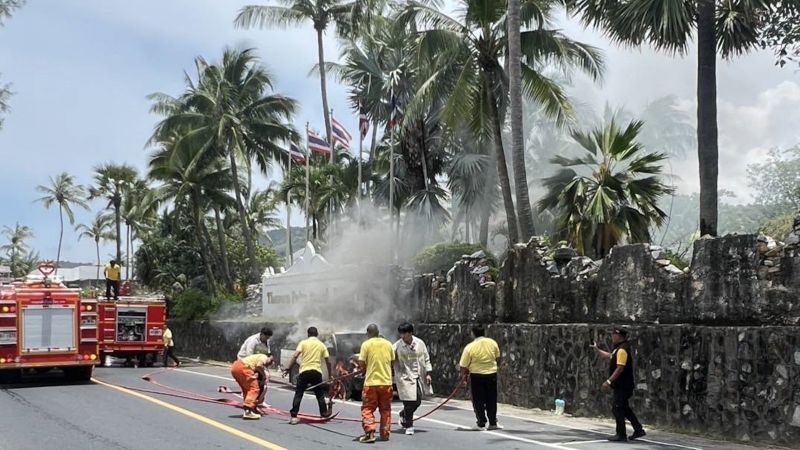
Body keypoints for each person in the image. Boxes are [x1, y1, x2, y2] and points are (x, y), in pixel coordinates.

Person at [591, 327, 646, 442]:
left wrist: (608, 381)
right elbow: (609, 356)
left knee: (617, 408)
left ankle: (621, 434)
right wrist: (597, 350)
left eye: (613, 335)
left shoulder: (622, 350)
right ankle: (638, 429)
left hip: (623, 386)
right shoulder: (618, 349)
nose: (612, 337)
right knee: (624, 408)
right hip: (622, 385)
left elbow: (620, 368)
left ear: (618, 336)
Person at [285, 326, 332, 424]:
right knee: (319, 395)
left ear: (308, 334)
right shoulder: (321, 345)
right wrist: (330, 375)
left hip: (304, 372)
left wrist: (288, 368)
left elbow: (295, 356)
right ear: (317, 334)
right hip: (316, 372)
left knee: (299, 393)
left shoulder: (303, 343)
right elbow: (328, 361)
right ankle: (323, 413)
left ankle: (294, 416)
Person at [459, 325, 502, 431]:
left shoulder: (470, 347)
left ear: (473, 333)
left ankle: (481, 423)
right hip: (491, 374)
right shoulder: (493, 343)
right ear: (484, 332)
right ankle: (493, 423)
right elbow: (498, 358)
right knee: (491, 399)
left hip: (477, 375)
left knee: (478, 400)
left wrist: (463, 379)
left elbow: (463, 365)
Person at [357, 324, 395, 443]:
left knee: (368, 408)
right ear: (378, 332)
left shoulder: (366, 344)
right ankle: (385, 434)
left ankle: (369, 433)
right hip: (386, 383)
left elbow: (361, 362)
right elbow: (393, 361)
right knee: (385, 409)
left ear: (368, 333)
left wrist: (363, 370)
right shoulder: (388, 344)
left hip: (371, 383)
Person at [393, 322, 433, 436]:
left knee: (418, 400)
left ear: (410, 333)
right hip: (405, 377)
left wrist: (428, 374)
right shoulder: (396, 346)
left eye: (404, 334)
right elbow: (389, 358)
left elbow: (426, 359)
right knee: (409, 402)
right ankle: (409, 426)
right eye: (400, 334)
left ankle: (403, 414)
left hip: (418, 375)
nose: (402, 337)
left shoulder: (420, 343)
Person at [238, 327, 273, 408]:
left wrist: (269, 358)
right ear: (261, 334)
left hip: (259, 361)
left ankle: (260, 400)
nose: (267, 339)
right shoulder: (253, 340)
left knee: (264, 379)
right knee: (252, 382)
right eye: (266, 337)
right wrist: (256, 369)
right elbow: (249, 354)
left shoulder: (266, 341)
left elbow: (268, 352)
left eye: (268, 338)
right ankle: (249, 401)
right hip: (246, 361)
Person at [231, 353, 272, 420]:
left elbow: (257, 368)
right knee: (254, 388)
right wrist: (264, 375)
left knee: (247, 389)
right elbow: (259, 365)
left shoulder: (255, 358)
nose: (271, 363)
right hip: (243, 367)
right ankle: (248, 411)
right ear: (269, 357)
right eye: (271, 361)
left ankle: (251, 409)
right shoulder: (264, 356)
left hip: (235, 367)